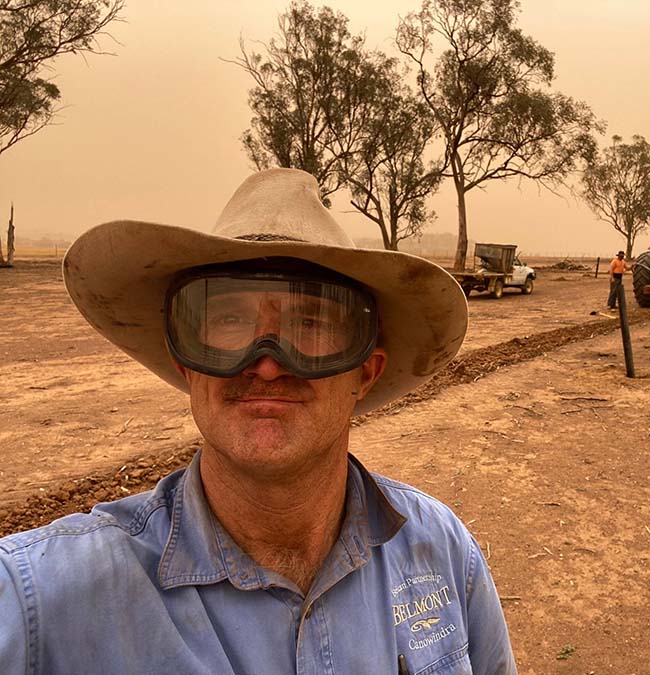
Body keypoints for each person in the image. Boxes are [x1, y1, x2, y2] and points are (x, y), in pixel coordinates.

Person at [0, 169, 517, 674]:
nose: (267, 362)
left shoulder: (447, 554)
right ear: (186, 363)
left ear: (367, 370)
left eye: (311, 323)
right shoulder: (36, 599)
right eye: (227, 321)